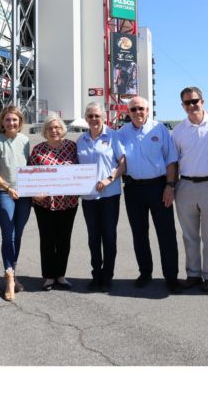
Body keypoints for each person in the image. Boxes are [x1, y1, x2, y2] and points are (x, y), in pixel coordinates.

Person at [116, 96, 182, 294]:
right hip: (133, 188)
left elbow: (171, 159)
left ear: (148, 110)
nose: (138, 112)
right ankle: (145, 272)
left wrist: (170, 185)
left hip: (159, 187)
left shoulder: (159, 129)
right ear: (128, 112)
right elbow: (119, 161)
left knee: (167, 233)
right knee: (139, 233)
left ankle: (171, 277)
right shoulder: (121, 133)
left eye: (141, 109)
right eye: (134, 109)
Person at [171, 86, 208, 293]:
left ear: (202, 101)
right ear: (182, 106)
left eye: (195, 101)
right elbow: (174, 162)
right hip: (185, 186)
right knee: (189, 235)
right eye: (187, 103)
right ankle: (193, 274)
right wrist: (171, 186)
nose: (192, 105)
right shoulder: (178, 131)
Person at [77, 102, 125, 292]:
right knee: (93, 238)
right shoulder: (81, 139)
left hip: (109, 195)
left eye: (97, 115)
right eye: (90, 116)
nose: (94, 119)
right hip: (89, 198)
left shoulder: (114, 136)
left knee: (109, 236)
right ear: (86, 118)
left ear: (103, 117)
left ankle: (108, 276)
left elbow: (123, 163)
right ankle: (96, 274)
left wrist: (109, 179)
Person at [0, 106, 31, 301]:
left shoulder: (25, 141)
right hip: (5, 193)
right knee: (8, 234)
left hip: (25, 193)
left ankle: (12, 270)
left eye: (15, 120)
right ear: (2, 121)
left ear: (20, 122)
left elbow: (30, 166)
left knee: (18, 233)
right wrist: (7, 187)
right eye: (8, 120)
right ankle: (9, 277)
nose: (11, 123)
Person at [29, 113, 78, 291]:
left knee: (64, 240)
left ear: (62, 129)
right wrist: (33, 193)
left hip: (68, 202)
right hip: (44, 204)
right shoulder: (38, 150)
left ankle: (61, 275)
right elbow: (29, 174)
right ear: (45, 131)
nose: (54, 131)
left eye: (57, 127)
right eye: (50, 128)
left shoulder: (73, 147)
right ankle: (49, 276)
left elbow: (81, 170)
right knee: (47, 240)